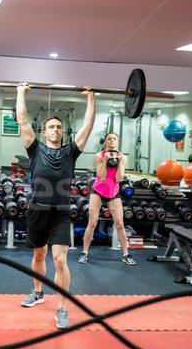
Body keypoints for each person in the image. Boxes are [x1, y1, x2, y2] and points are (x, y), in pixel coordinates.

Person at [17, 83, 96, 329]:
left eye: (59, 127)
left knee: (60, 261)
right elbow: (22, 121)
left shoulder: (71, 152)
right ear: (44, 131)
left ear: (63, 132)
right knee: (38, 254)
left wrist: (91, 98)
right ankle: (38, 293)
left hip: (61, 212)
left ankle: (62, 309)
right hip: (37, 209)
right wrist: (20, 92)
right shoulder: (35, 150)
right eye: (51, 127)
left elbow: (88, 127)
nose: (56, 130)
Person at [79, 132, 134, 265]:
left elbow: (118, 178)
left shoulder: (123, 158)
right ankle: (84, 253)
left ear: (117, 142)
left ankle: (126, 255)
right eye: (109, 139)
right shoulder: (99, 156)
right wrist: (105, 160)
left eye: (114, 139)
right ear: (105, 142)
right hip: (98, 190)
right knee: (92, 222)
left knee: (120, 224)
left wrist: (120, 162)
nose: (111, 141)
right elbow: (102, 176)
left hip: (113, 192)